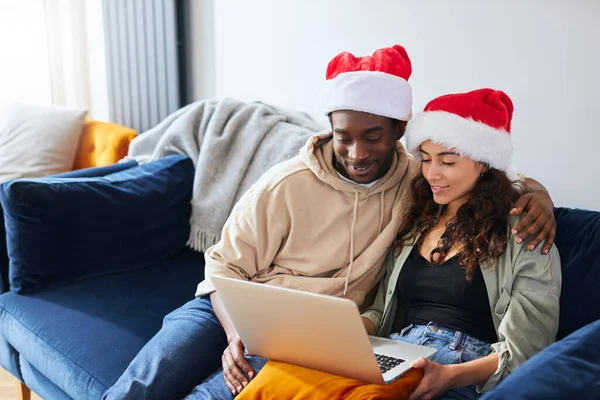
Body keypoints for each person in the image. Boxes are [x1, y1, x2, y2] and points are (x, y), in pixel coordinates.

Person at [103, 46, 556, 400]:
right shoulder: (287, 183)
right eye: (344, 137)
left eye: (373, 137)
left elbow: (494, 173)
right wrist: (237, 332)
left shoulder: (418, 181)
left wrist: (541, 198)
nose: (357, 153)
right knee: (146, 386)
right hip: (233, 305)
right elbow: (222, 268)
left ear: (399, 133)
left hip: (322, 336)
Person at [360, 88, 562, 400]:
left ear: (484, 162)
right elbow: (381, 310)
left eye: (448, 161)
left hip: (463, 364)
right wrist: (351, 331)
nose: (432, 173)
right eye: (426, 160)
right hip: (400, 349)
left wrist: (449, 377)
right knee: (289, 376)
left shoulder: (523, 230)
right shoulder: (418, 221)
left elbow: (527, 350)